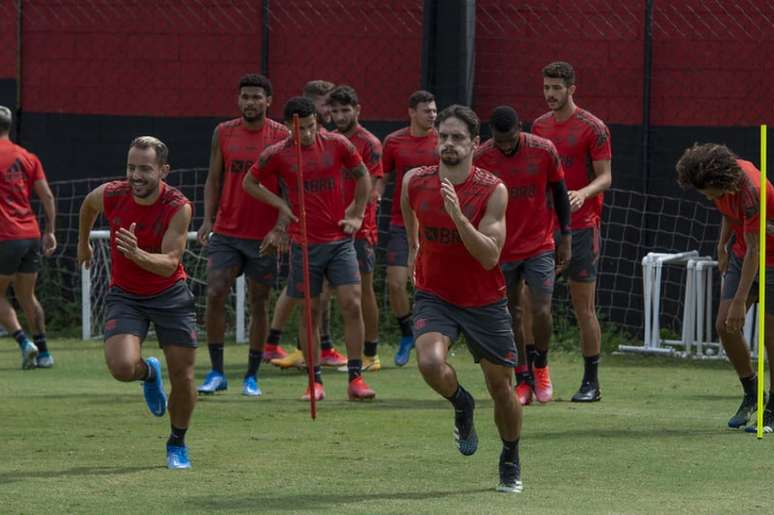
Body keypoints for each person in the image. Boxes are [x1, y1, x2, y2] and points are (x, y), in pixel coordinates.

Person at [402, 105, 524, 493]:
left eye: (457, 138)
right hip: (435, 294)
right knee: (429, 361)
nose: (448, 144)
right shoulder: (414, 182)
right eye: (443, 137)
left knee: (501, 388)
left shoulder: (493, 189)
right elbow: (412, 226)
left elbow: (490, 255)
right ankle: (461, 403)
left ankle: (510, 456)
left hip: (483, 300)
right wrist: (413, 256)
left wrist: (458, 217)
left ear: (474, 143)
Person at [243, 96, 375, 401]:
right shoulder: (277, 154)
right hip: (303, 243)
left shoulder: (338, 144)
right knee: (310, 312)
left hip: (339, 240)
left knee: (352, 304)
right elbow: (250, 183)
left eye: (310, 127)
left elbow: (363, 177)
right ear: (289, 126)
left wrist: (356, 213)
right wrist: (280, 204)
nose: (305, 135)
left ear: (319, 121)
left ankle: (356, 379)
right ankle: (314, 383)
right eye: (298, 129)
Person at [77, 136, 197, 469]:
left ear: (164, 171)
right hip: (126, 295)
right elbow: (88, 205)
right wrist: (83, 243)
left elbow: (171, 262)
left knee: (184, 377)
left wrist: (136, 253)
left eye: (145, 169)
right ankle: (148, 374)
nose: (136, 176)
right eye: (131, 167)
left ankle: (177, 443)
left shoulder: (178, 206)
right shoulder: (113, 194)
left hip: (170, 294)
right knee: (121, 367)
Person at [196, 73, 290, 397]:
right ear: (238, 100)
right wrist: (207, 219)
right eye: (245, 96)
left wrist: (281, 227)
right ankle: (217, 372)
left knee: (259, 302)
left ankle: (251, 376)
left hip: (263, 236)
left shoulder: (283, 136)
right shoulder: (223, 132)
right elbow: (213, 178)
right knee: (215, 292)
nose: (250, 102)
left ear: (268, 101)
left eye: (256, 97)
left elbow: (290, 187)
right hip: (226, 231)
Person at [474, 106, 571, 406]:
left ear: (520, 129)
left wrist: (565, 236)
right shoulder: (481, 157)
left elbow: (559, 192)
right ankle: (522, 377)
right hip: (500, 247)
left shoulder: (543, 150)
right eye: (499, 141)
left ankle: (540, 365)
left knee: (541, 308)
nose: (505, 146)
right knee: (509, 313)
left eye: (510, 139)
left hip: (539, 244)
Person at [676, 143, 774, 433]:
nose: (706, 196)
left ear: (721, 181)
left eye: (707, 191)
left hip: (770, 257)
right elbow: (730, 214)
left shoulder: (753, 192)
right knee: (724, 326)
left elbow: (757, 249)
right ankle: (753, 393)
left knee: (770, 337)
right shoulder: (723, 184)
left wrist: (739, 301)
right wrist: (721, 245)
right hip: (744, 253)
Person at [531, 61, 612, 402]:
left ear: (571, 89)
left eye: (556, 88)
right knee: (534, 304)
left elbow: (606, 176)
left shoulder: (593, 128)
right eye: (546, 87)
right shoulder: (538, 126)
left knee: (584, 308)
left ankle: (591, 382)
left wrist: (584, 192)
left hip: (581, 227)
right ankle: (536, 374)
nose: (550, 94)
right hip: (543, 231)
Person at [269, 79, 349, 369]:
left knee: (310, 294)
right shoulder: (287, 145)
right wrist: (280, 223)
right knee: (303, 293)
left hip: (331, 228)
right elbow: (282, 188)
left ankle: (300, 346)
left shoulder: (330, 141)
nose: (329, 110)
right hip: (304, 232)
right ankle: (303, 349)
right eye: (326, 104)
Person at [328, 85, 384, 371]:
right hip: (329, 227)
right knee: (322, 291)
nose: (339, 115)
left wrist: (355, 212)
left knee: (363, 288)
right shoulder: (329, 140)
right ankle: (322, 348)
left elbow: (374, 186)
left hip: (360, 229)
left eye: (345, 110)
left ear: (358, 110)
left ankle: (371, 353)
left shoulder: (369, 143)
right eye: (334, 110)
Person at [383, 90, 438, 366]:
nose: (432, 115)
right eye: (427, 110)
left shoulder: (443, 142)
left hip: (435, 223)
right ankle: (407, 334)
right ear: (412, 112)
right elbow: (383, 177)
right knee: (395, 282)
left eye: (434, 110)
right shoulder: (393, 142)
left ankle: (436, 336)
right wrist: (372, 196)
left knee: (434, 283)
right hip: (399, 222)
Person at [0, 105, 57, 369]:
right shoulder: (28, 157)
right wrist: (50, 231)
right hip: (31, 234)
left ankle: (25, 343)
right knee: (27, 295)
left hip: (5, 236)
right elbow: (46, 196)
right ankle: (44, 352)